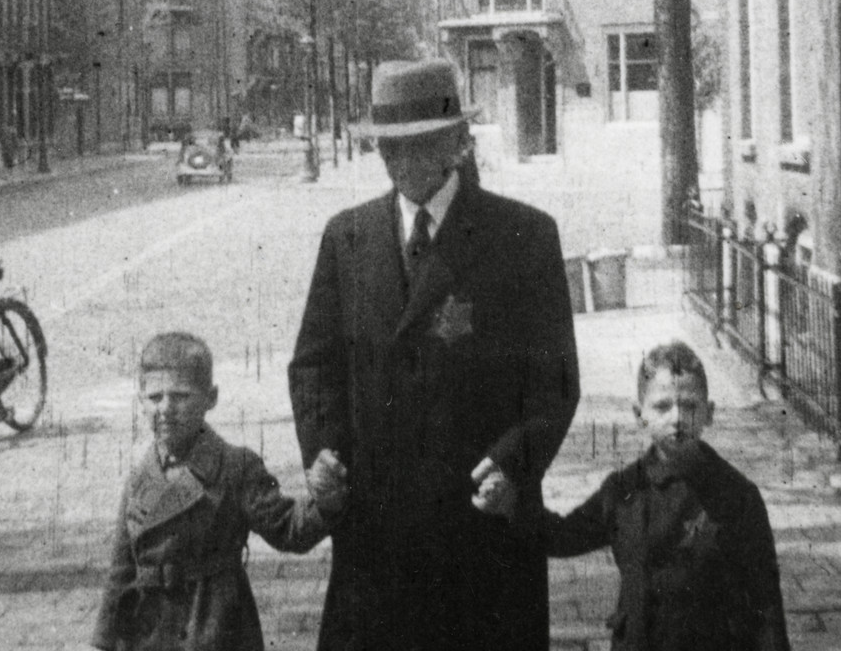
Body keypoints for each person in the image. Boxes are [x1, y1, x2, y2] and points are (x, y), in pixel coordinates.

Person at [288, 58, 580, 651]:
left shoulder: (522, 235)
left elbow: (553, 380)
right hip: (377, 527)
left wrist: (512, 463)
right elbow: (314, 366)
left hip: (480, 522)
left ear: (455, 143)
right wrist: (325, 455)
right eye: (385, 147)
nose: (397, 161)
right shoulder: (348, 237)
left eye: (415, 145)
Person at [91, 332, 347, 651]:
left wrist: (325, 503)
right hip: (148, 631)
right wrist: (102, 642)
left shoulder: (234, 467)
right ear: (140, 401)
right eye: (155, 397)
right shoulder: (139, 478)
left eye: (181, 396)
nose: (166, 409)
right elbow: (121, 570)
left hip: (214, 625)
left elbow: (288, 529)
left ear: (210, 398)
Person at [543, 341, 791, 651]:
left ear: (709, 413)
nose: (677, 418)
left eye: (689, 405)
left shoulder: (737, 496)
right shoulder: (623, 491)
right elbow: (565, 536)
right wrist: (513, 505)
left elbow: (764, 601)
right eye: (662, 406)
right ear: (639, 414)